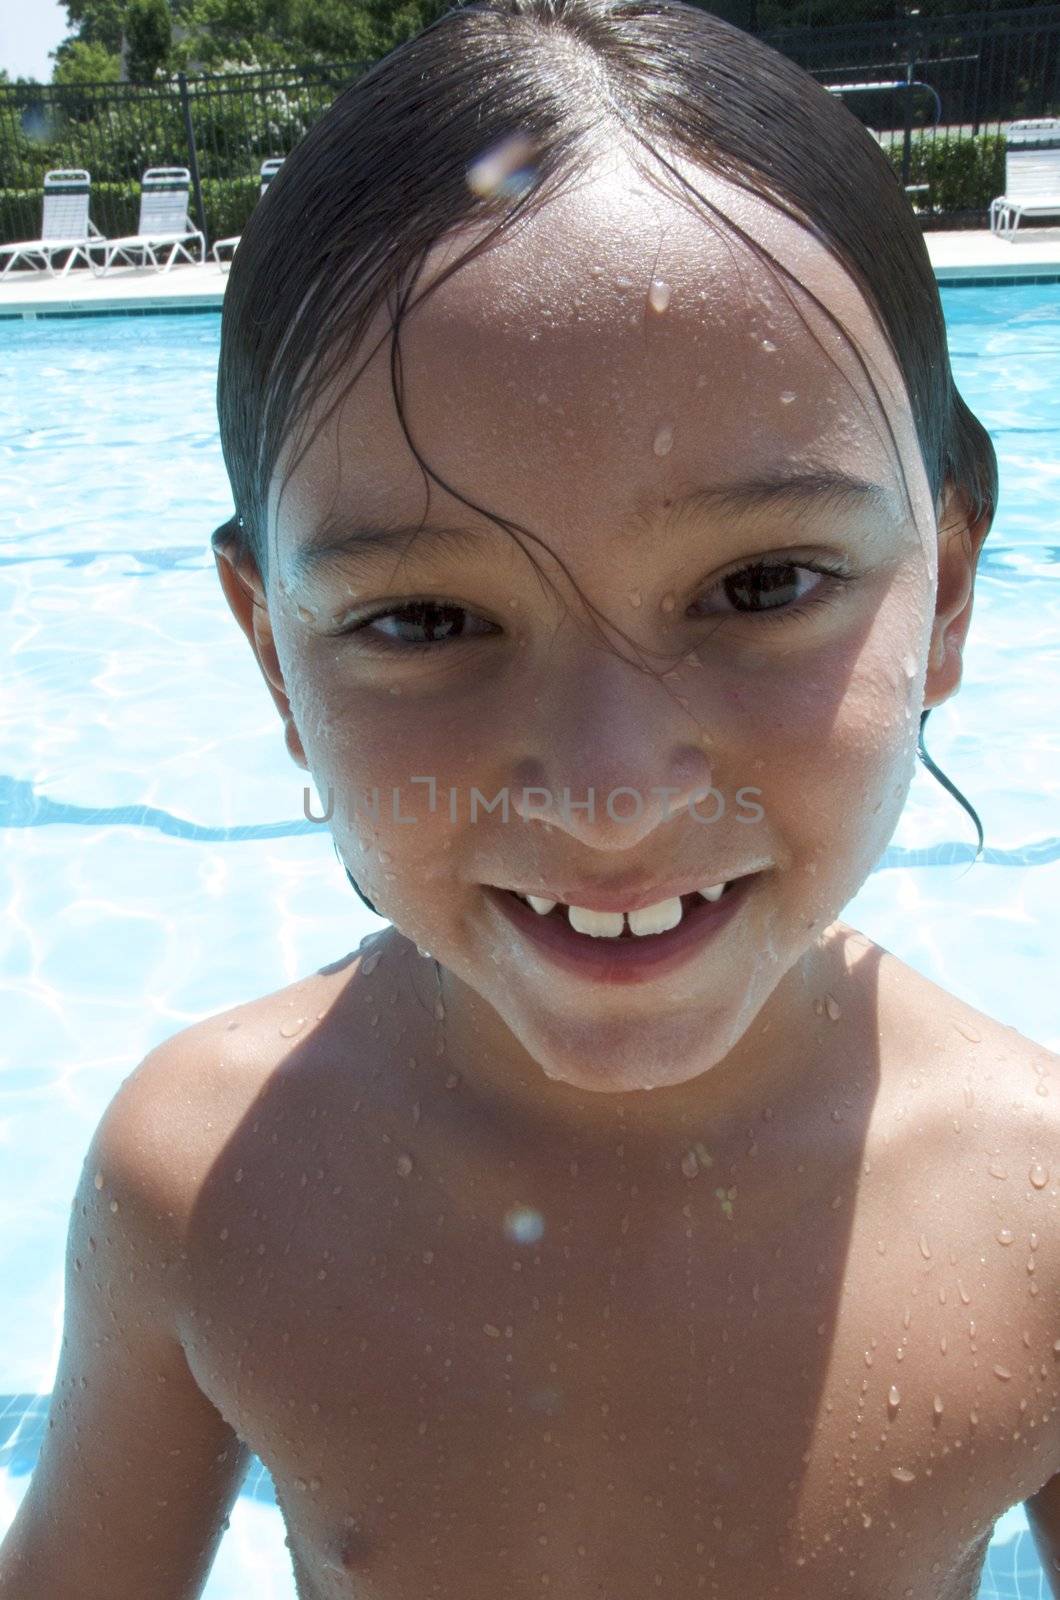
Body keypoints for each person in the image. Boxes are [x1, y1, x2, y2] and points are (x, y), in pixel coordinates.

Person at [2, 1, 1058, 1597]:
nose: (611, 797)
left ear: (952, 593)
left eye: (761, 584)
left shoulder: (1031, 1217)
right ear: (274, 660)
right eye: (424, 620)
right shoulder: (209, 1180)